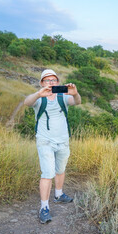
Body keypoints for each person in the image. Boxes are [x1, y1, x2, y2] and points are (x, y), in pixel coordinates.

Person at [24, 69, 81, 224]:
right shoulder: (39, 98)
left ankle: (58, 194)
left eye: (53, 80)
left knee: (60, 170)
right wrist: (38, 94)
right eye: (47, 80)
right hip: (45, 142)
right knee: (47, 173)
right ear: (42, 83)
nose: (51, 83)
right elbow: (27, 102)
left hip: (63, 141)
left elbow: (77, 102)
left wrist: (75, 93)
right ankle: (44, 208)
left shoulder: (63, 96)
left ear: (58, 82)